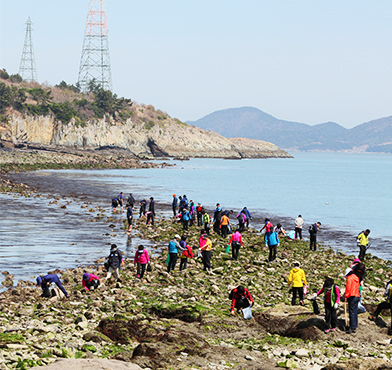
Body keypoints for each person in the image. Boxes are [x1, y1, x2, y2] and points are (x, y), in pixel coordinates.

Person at [344, 263, 365, 334]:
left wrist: (346, 296)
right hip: (357, 295)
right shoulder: (357, 278)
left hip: (352, 296)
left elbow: (348, 288)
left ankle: (352, 327)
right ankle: (355, 326)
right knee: (355, 312)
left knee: (352, 312)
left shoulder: (350, 278)